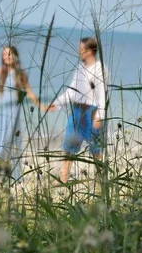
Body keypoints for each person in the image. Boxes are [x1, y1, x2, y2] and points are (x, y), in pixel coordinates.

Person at [43, 37, 109, 185]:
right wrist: (57, 104)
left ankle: (101, 178)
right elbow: (72, 91)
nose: (80, 52)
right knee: (69, 145)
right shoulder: (80, 67)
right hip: (76, 111)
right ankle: (63, 178)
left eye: (82, 49)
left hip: (92, 112)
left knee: (96, 148)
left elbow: (103, 94)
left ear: (91, 51)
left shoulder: (101, 69)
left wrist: (100, 115)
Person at [0, 45, 41, 182]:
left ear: (16, 56)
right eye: (4, 55)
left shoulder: (21, 74)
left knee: (11, 141)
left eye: (9, 54)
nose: (6, 57)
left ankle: (13, 174)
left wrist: (42, 105)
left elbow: (29, 92)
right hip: (1, 110)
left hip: (14, 112)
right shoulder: (1, 71)